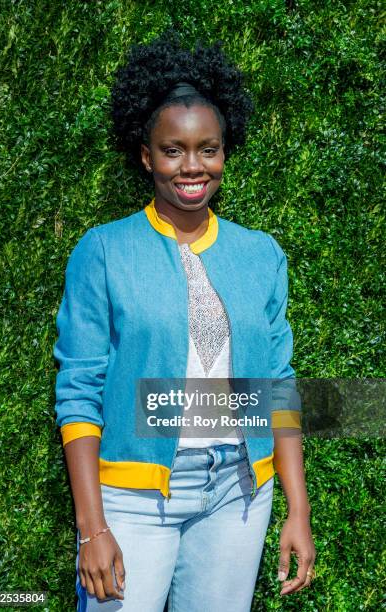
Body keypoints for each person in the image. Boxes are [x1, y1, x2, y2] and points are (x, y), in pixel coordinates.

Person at [53, 29, 316, 612]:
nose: (192, 166)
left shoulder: (261, 254)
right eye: (173, 150)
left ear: (225, 151)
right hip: (131, 497)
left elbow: (279, 384)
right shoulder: (104, 251)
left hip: (240, 494)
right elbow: (78, 391)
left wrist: (297, 510)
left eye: (209, 148)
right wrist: (92, 528)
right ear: (146, 155)